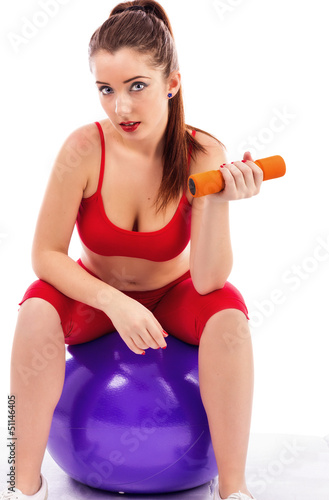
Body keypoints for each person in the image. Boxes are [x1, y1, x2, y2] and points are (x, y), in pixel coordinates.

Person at [2, 2, 264, 499]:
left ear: (172, 83)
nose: (120, 107)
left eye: (136, 86)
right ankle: (19, 481)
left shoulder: (203, 153)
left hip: (177, 294)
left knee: (230, 318)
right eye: (106, 89)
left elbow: (209, 281)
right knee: (34, 311)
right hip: (97, 295)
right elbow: (46, 255)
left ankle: (234, 488)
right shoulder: (82, 148)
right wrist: (114, 302)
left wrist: (221, 203)